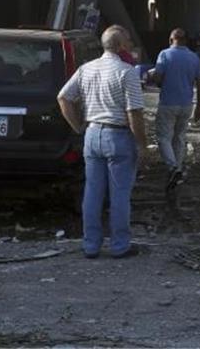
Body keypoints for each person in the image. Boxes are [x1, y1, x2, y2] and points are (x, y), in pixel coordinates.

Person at [57, 25, 146, 259]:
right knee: (119, 194)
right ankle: (119, 246)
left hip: (92, 134)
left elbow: (63, 97)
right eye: (127, 41)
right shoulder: (127, 72)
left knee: (93, 192)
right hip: (118, 136)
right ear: (120, 46)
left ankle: (91, 245)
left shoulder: (86, 68)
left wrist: (77, 126)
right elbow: (134, 113)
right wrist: (141, 145)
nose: (130, 45)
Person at [151, 27, 200, 191]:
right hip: (186, 104)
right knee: (180, 137)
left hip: (168, 102)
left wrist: (153, 77)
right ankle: (178, 168)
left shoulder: (164, 55)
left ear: (170, 40)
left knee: (163, 137)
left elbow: (158, 78)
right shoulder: (194, 58)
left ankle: (172, 166)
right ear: (185, 41)